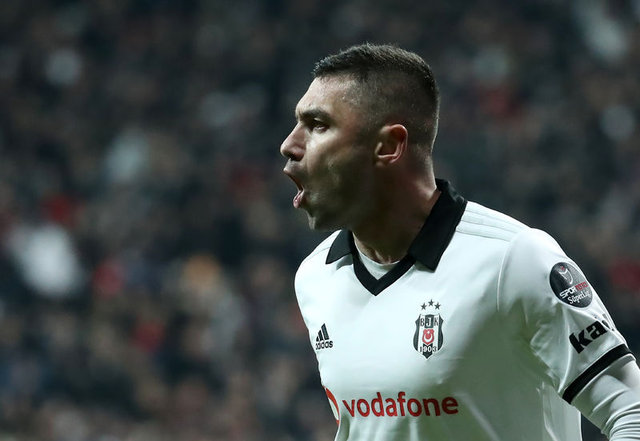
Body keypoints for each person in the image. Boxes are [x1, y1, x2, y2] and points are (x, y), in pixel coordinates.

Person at [279, 43, 640, 440]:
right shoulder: (316, 276)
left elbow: (632, 412)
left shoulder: (514, 261)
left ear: (389, 145)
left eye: (318, 125)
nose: (289, 145)